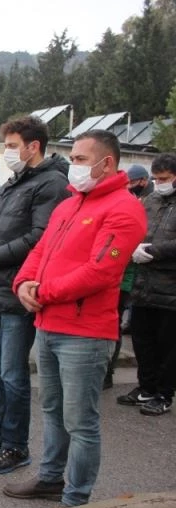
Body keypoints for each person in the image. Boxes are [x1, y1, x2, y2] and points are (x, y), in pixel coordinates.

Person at [3, 130, 146, 508]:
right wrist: (23, 283)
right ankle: (51, 478)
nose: (74, 166)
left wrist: (43, 292)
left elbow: (102, 270)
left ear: (107, 164)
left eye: (82, 159)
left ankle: (75, 502)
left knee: (80, 421)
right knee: (51, 409)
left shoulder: (125, 208)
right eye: (74, 158)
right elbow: (40, 250)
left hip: (85, 333)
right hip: (49, 324)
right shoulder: (69, 204)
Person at [0, 115, 69, 475]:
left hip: (14, 291)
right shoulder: (15, 181)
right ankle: (0, 431)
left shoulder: (50, 182)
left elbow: (39, 236)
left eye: (11, 145)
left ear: (32, 146)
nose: (7, 152)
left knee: (12, 373)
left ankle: (16, 446)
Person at [118, 153, 176, 415]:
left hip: (170, 289)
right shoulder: (150, 200)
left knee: (168, 346)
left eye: (164, 178)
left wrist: (155, 251)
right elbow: (134, 228)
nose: (159, 182)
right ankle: (146, 388)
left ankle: (164, 394)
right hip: (142, 287)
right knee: (142, 341)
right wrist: (129, 248)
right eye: (156, 178)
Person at [104, 164, 149, 388]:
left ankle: (107, 371)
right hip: (112, 274)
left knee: (113, 325)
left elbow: (117, 247)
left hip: (124, 278)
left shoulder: (133, 206)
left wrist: (112, 255)